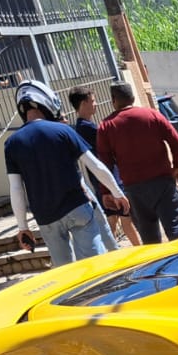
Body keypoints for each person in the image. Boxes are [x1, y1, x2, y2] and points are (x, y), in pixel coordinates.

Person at [5, 81, 125, 265]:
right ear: (48, 103)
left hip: (46, 218)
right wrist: (118, 193)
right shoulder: (63, 130)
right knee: (95, 266)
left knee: (65, 271)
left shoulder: (12, 144)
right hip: (77, 207)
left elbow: (16, 188)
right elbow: (96, 166)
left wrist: (23, 227)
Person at [96, 82, 178, 243]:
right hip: (163, 184)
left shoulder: (106, 126)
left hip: (135, 190)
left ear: (113, 100)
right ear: (132, 97)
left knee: (150, 240)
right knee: (176, 234)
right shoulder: (152, 115)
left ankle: (158, 268)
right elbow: (177, 143)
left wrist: (106, 191)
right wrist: (177, 167)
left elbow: (105, 163)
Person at [68, 86, 141, 246]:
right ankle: (143, 251)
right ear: (84, 103)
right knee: (125, 217)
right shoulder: (88, 128)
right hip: (109, 179)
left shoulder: (81, 128)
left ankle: (111, 251)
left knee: (112, 221)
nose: (96, 104)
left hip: (102, 180)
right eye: (92, 101)